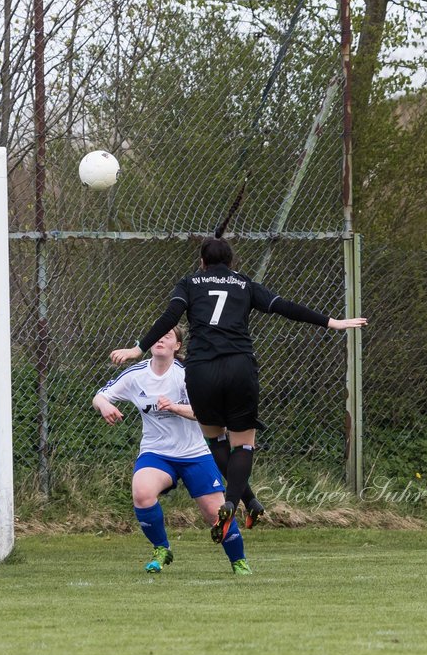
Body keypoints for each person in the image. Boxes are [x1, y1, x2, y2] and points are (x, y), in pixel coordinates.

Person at [110, 236, 366, 549]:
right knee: (243, 444)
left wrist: (138, 348)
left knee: (215, 438)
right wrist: (333, 322)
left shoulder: (189, 282)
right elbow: (284, 307)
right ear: (232, 263)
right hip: (239, 367)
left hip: (201, 369)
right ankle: (234, 503)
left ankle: (248, 501)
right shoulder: (244, 284)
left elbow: (169, 318)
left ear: (202, 262)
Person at [94, 325, 249, 575]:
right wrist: (103, 406)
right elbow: (101, 395)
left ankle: (239, 561)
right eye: (156, 335)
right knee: (142, 492)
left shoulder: (188, 374)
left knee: (215, 514)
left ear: (177, 346)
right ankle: (161, 548)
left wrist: (175, 407)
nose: (160, 340)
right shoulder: (136, 375)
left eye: (167, 336)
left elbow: (208, 414)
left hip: (194, 454)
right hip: (157, 453)